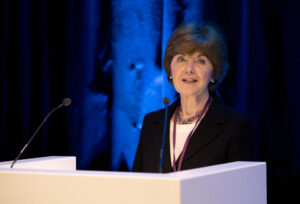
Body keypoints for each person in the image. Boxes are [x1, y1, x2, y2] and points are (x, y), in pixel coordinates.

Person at [133, 23, 257, 173]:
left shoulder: (236, 127)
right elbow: (137, 187)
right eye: (181, 59)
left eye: (201, 61)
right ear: (170, 69)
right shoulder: (152, 123)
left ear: (214, 73)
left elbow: (242, 191)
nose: (189, 69)